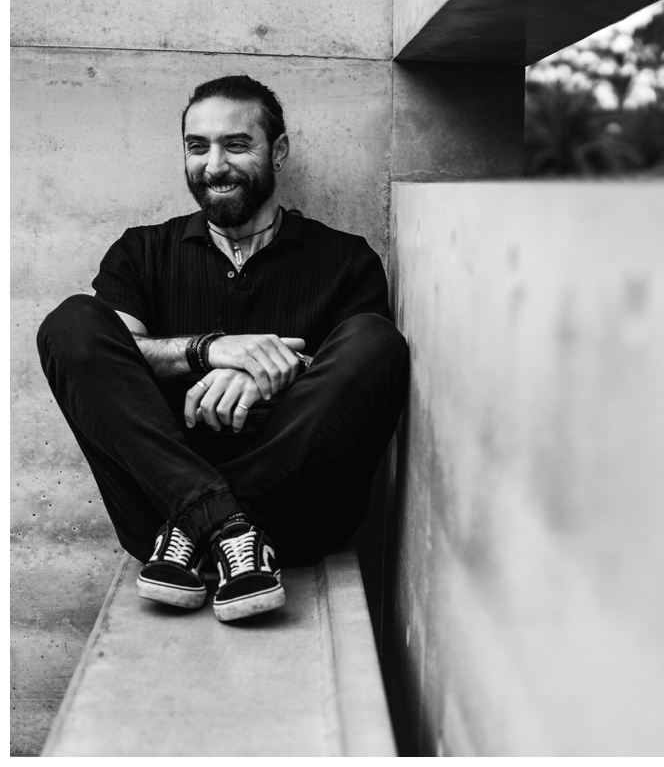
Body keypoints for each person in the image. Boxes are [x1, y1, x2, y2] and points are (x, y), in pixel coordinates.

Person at [37, 75, 409, 622]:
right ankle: (219, 522)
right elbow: (108, 354)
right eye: (197, 147)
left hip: (292, 518)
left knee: (377, 340)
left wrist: (269, 370)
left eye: (236, 144)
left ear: (277, 151)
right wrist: (211, 349)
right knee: (70, 322)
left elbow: (357, 376)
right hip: (157, 507)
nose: (214, 165)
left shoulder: (345, 260)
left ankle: (206, 523)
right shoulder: (142, 252)